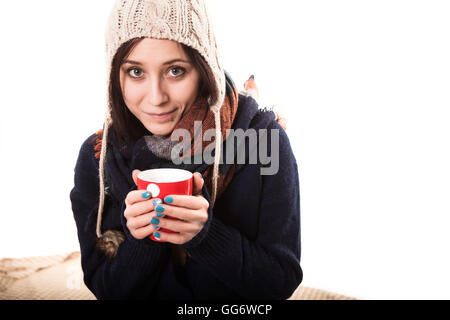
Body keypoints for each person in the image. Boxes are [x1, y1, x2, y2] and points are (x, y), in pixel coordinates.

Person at [70, 0, 302, 300]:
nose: (156, 98)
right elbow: (105, 288)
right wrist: (143, 241)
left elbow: (280, 282)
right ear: (116, 76)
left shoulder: (261, 141)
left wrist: (205, 236)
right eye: (136, 72)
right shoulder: (99, 156)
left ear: (204, 70)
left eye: (176, 70)